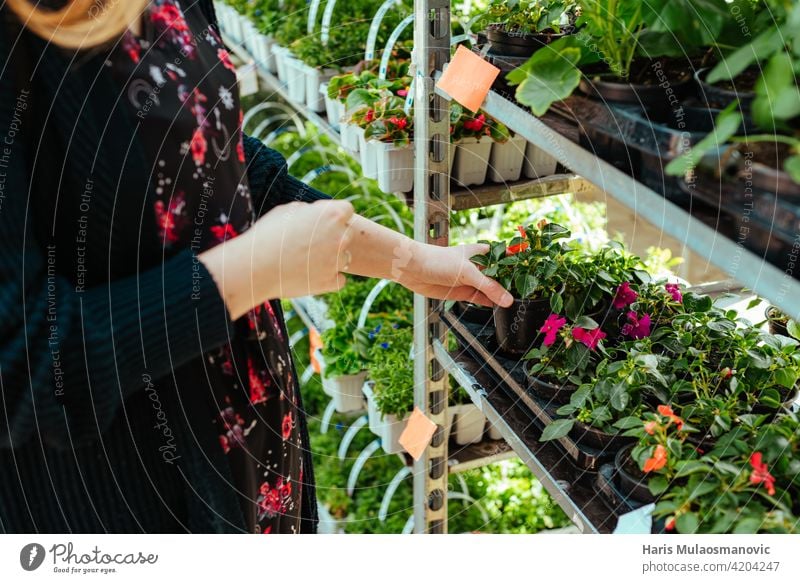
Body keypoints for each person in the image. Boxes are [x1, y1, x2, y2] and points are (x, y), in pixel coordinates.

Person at [0, 0, 512, 533]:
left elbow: (207, 152)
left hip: (257, 457)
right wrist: (250, 272)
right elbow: (19, 364)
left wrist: (409, 259)